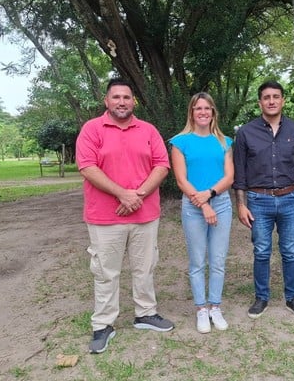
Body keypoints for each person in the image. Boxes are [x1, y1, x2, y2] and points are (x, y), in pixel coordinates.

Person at [76, 78, 174, 354]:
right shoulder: (92, 129)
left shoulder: (148, 130)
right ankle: (103, 324)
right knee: (106, 272)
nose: (122, 102)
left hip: (145, 215)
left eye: (127, 97)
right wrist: (121, 193)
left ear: (134, 101)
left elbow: (162, 165)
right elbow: (87, 166)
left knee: (145, 267)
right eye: (116, 97)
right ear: (106, 101)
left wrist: (136, 196)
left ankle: (145, 313)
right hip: (104, 217)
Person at [233, 80, 294, 320]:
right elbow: (240, 173)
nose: (271, 101)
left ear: (282, 100)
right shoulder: (246, 132)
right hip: (259, 200)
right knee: (261, 251)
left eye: (275, 96)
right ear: (260, 102)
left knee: (289, 251)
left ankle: (292, 298)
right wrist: (241, 205)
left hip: (290, 199)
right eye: (266, 97)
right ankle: (261, 297)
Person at [170, 92, 234, 333]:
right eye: (198, 108)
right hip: (193, 206)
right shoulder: (180, 142)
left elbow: (229, 177)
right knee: (197, 261)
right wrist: (203, 203)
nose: (203, 112)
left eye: (207, 108)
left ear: (213, 112)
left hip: (221, 204)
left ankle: (215, 306)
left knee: (218, 260)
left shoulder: (224, 142)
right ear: (192, 112)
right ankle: (201, 308)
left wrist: (210, 195)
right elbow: (181, 180)